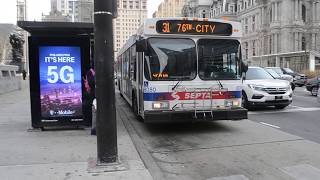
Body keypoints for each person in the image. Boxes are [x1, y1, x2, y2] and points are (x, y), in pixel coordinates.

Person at [83, 66, 96, 135]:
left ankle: (94, 127)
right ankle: (93, 128)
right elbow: (91, 83)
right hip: (92, 94)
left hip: (94, 94)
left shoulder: (92, 72)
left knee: (95, 111)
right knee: (94, 110)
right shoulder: (90, 72)